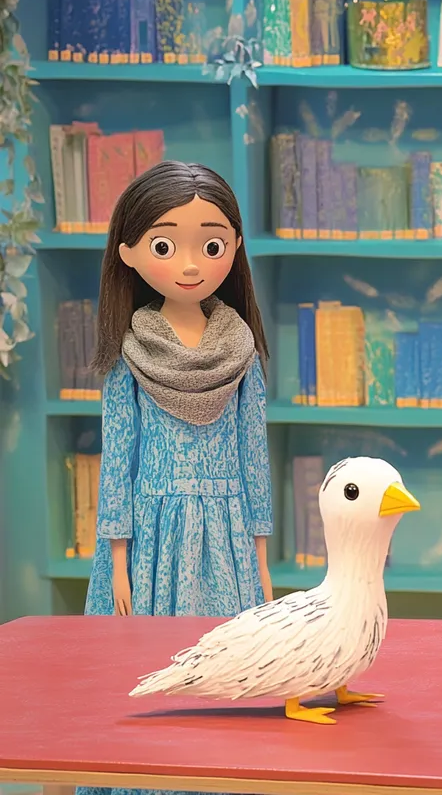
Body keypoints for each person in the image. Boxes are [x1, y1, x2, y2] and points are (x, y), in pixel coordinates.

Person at [84, 160, 274, 621]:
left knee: (227, 662)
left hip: (228, 533)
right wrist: (117, 564)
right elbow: (118, 461)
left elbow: (254, 457)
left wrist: (262, 563)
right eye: (164, 246)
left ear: (235, 246)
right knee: (148, 659)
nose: (190, 265)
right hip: (153, 530)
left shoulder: (240, 348)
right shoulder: (130, 352)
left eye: (211, 246)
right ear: (128, 252)